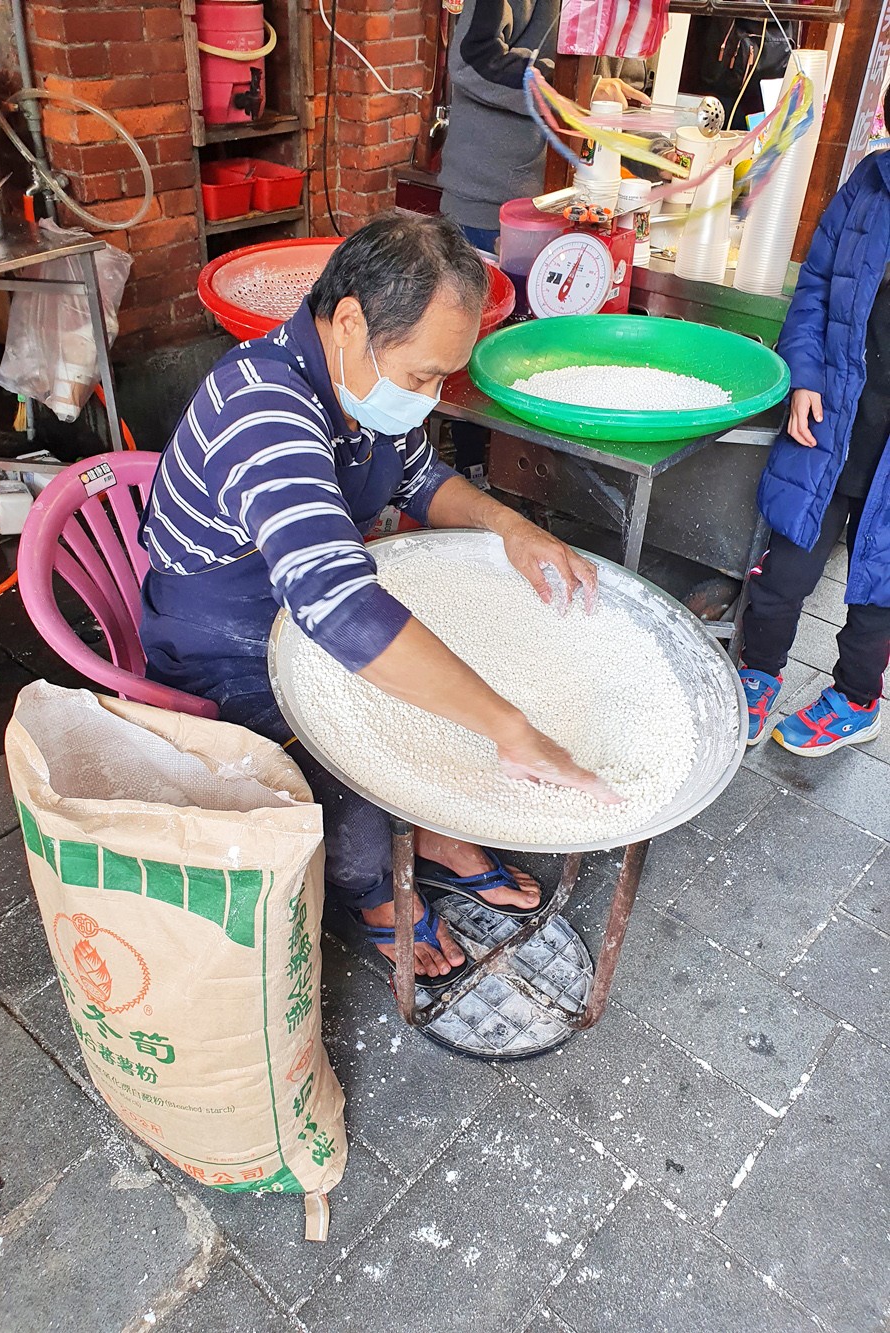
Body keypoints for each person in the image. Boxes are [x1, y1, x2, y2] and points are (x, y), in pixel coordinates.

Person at [139, 214, 617, 990]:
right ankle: (371, 896)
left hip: (311, 610)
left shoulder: (361, 392)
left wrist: (510, 525)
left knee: (442, 681)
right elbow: (339, 607)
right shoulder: (264, 409)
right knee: (356, 792)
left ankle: (433, 835)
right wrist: (512, 729)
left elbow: (422, 480)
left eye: (441, 379)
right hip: (225, 641)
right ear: (351, 322)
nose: (427, 400)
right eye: (423, 375)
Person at [739, 142, 890, 754]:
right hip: (833, 419)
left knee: (879, 585)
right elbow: (818, 285)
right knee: (785, 569)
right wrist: (803, 374)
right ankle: (756, 675)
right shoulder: (871, 182)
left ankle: (856, 699)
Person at [438, 0, 652, 253]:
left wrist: (656, 154)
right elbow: (473, 58)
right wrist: (577, 89)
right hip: (490, 213)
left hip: (573, 214)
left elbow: (618, 101)